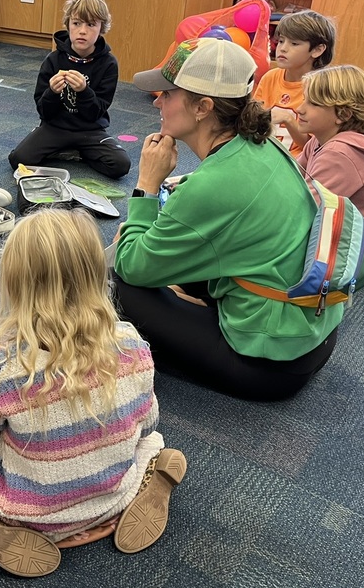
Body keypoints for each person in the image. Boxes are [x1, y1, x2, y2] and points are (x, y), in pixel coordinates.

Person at [0, 209, 186, 578]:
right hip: (113, 491)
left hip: (32, 514)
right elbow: (146, 425)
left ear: (15, 286)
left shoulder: (5, 365)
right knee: (151, 445)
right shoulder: (132, 344)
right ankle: (144, 487)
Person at [113, 38, 343, 401]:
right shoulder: (263, 143)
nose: (157, 100)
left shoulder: (212, 186)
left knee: (120, 279)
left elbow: (131, 266)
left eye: (168, 93)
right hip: (314, 331)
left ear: (203, 106)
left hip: (270, 365)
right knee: (156, 252)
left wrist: (146, 185)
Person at [7, 0, 131, 180]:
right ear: (68, 25)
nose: (82, 31)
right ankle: (67, 149)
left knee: (120, 165)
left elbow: (96, 112)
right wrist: (53, 92)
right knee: (19, 159)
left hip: (90, 130)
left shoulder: (108, 64)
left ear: (101, 29)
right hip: (55, 127)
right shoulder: (53, 60)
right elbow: (43, 111)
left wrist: (83, 91)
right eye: (76, 23)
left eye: (91, 24)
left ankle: (77, 152)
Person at [297, 65, 364, 283]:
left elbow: (305, 211)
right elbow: (292, 177)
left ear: (342, 115)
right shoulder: (320, 138)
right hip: (351, 239)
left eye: (312, 104)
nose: (299, 108)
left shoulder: (340, 154)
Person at [252, 9, 337, 156]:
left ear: (317, 50)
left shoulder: (322, 88)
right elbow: (254, 123)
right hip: (263, 154)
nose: (283, 49)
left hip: (297, 165)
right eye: (281, 41)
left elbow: (313, 147)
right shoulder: (270, 77)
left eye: (294, 43)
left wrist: (289, 120)